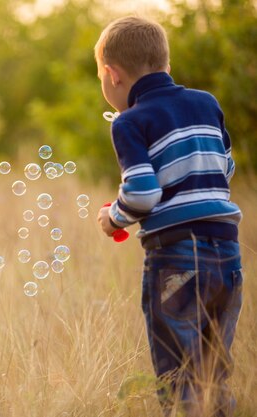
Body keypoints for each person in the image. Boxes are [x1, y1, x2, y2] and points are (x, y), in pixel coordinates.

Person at [94, 16, 243, 417]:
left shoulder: (129, 121)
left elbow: (143, 194)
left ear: (112, 75)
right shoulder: (206, 103)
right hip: (228, 255)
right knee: (213, 374)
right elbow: (224, 169)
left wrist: (115, 218)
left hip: (177, 257)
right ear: (167, 65)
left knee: (180, 377)